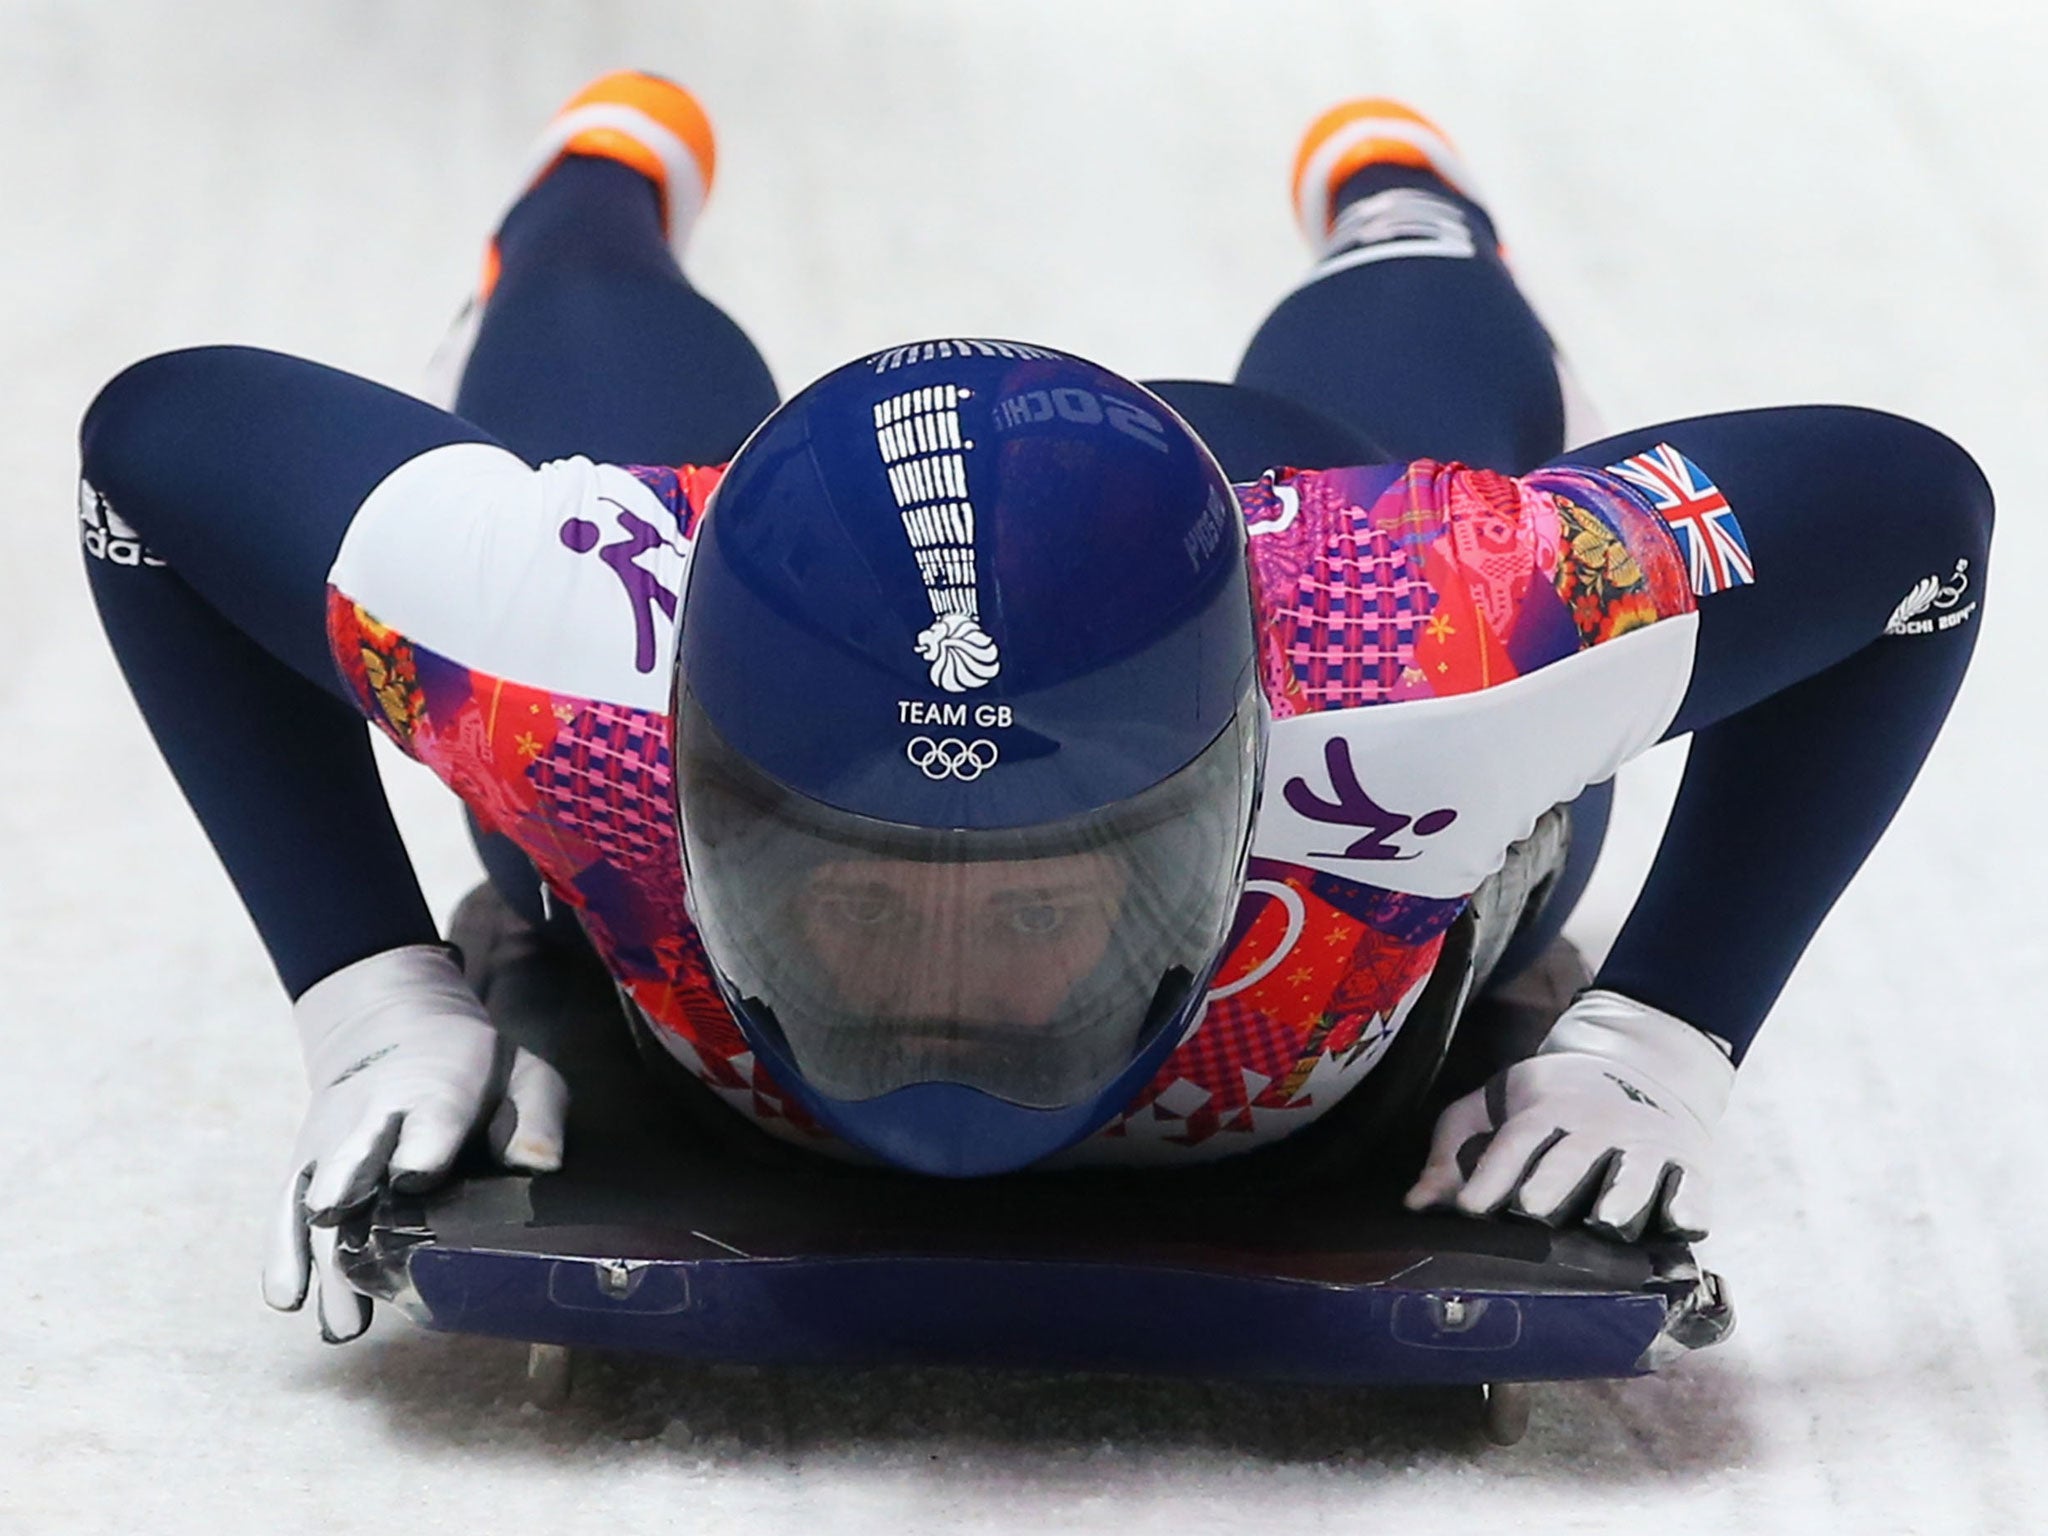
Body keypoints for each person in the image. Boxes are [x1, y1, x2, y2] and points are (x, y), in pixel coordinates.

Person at [78, 73, 1993, 1344]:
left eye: (1038, 909)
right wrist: (362, 990)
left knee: (1401, 431)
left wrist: (1671, 1040)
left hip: (1303, 503)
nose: (942, 1011)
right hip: (743, 596)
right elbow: (144, 459)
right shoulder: (579, 650)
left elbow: (1920, 532)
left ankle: (1403, 207)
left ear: (1227, 802)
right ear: (709, 787)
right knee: (594, 406)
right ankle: (596, 184)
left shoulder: (1444, 639)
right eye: (859, 897)